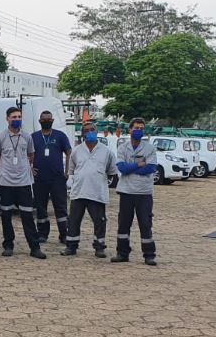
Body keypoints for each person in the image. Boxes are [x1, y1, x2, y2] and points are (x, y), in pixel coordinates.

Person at [0, 106, 44, 259]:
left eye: (19, 117)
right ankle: (8, 245)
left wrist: (23, 167)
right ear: (7, 119)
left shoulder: (27, 137)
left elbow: (31, 155)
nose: (16, 119)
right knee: (6, 216)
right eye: (13, 117)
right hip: (6, 183)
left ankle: (34, 248)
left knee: (27, 216)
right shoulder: (0, 137)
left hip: (24, 183)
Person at [62, 122, 117, 258]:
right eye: (86, 130)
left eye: (92, 130)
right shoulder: (77, 150)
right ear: (82, 134)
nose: (89, 132)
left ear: (96, 131)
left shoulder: (106, 151)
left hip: (97, 192)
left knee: (99, 221)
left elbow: (111, 171)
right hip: (78, 192)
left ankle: (99, 247)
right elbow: (72, 170)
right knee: (74, 220)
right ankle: (71, 246)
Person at [113, 117, 157, 266]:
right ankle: (122, 253)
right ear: (130, 129)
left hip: (144, 193)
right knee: (123, 224)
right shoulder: (122, 148)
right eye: (136, 128)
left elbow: (150, 168)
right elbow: (121, 168)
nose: (139, 131)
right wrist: (138, 164)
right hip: (126, 192)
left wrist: (131, 167)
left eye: (141, 128)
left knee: (145, 224)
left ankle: (149, 255)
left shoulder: (149, 148)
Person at [32, 110, 72, 244]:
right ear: (39, 121)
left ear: (53, 120)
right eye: (44, 119)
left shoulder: (60, 136)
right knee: (41, 207)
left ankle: (64, 234)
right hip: (39, 178)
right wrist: (30, 168)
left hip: (57, 178)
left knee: (60, 207)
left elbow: (68, 152)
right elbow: (27, 154)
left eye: (49, 119)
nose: (46, 121)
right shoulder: (34, 137)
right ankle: (42, 234)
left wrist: (67, 171)